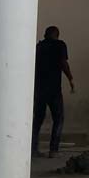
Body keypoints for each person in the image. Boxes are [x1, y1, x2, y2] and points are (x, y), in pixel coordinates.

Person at [32, 26, 75, 158]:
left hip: (39, 88)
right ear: (57, 34)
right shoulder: (60, 45)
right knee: (58, 118)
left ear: (45, 34)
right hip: (53, 89)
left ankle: (33, 149)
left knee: (37, 119)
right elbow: (63, 63)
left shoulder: (39, 47)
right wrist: (70, 79)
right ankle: (53, 150)